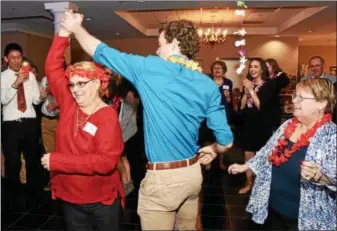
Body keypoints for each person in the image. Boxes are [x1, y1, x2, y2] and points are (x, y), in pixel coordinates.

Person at [61, 11, 233, 230]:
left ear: (174, 43)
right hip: (192, 175)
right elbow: (226, 142)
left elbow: (102, 52)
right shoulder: (208, 84)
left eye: (160, 44)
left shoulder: (151, 68)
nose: (157, 49)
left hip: (163, 180)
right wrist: (214, 150)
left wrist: (76, 28)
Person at [41, 27, 124, 231]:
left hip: (101, 200)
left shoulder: (107, 115)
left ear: (97, 83)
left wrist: (58, 161)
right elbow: (52, 67)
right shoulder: (69, 103)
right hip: (70, 197)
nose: (75, 90)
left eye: (81, 84)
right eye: (72, 85)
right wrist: (63, 33)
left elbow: (105, 162)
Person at [229, 78, 336, 230]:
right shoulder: (288, 125)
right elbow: (267, 151)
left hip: (303, 218)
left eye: (301, 98)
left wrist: (321, 177)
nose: (295, 101)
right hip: (273, 207)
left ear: (322, 103)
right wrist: (246, 166)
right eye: (295, 96)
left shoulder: (331, 136)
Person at [1, 43, 46, 210]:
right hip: (11, 125)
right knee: (13, 163)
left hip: (29, 123)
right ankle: (12, 199)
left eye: (19, 57)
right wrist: (16, 83)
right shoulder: (3, 77)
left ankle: (34, 197)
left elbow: (35, 101)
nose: (16, 61)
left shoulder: (31, 76)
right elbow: (3, 100)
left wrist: (41, 96)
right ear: (6, 59)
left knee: (33, 161)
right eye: (12, 58)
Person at [238, 58, 278, 194]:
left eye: (256, 66)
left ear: (262, 69)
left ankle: (261, 185)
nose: (252, 69)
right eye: (251, 67)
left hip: (262, 125)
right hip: (248, 124)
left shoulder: (269, 85)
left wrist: (251, 90)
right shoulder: (249, 84)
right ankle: (249, 183)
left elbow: (261, 106)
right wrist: (246, 91)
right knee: (248, 154)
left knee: (262, 155)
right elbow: (242, 106)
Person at [265, 58, 290, 130]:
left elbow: (285, 82)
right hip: (265, 103)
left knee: (274, 126)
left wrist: (272, 81)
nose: (265, 69)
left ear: (273, 67)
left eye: (267, 67)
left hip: (274, 104)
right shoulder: (264, 77)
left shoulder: (280, 75)